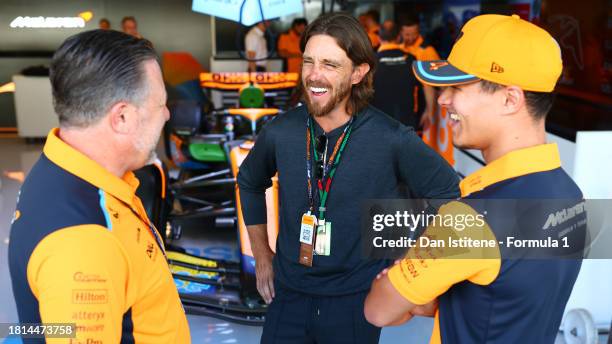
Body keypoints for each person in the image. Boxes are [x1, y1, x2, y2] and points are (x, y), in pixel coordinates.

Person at [237, 13, 459, 344]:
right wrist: (263, 255)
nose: (313, 75)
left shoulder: (391, 138)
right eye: (308, 61)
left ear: (358, 73)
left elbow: (448, 194)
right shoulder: (282, 130)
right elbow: (250, 181)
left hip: (354, 303)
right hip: (288, 296)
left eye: (329, 64)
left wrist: (410, 269)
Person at [365, 14, 586, 344]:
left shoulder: (471, 221)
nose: (442, 99)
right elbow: (509, 294)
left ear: (510, 99)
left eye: (457, 87)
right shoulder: (571, 197)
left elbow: (378, 309)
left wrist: (408, 284)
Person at [8, 30, 190, 343]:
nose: (167, 114)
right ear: (121, 117)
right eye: (160, 103)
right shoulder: (85, 244)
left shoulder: (64, 166)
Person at [372, 24, 425, 129]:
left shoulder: (370, 62)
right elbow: (426, 87)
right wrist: (427, 111)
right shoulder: (411, 59)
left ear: (379, 38)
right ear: (398, 37)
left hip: (378, 122)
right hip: (407, 121)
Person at [400, 17, 439, 127]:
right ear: (401, 32)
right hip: (403, 103)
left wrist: (429, 110)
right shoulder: (399, 49)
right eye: (407, 34)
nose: (411, 37)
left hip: (419, 104)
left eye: (414, 34)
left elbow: (434, 84)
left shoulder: (428, 51)